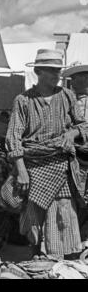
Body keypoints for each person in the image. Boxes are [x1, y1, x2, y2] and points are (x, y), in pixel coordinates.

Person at [5, 49, 88, 259]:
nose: (56, 74)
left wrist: (73, 132)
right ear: (39, 71)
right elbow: (13, 138)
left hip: (62, 163)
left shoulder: (67, 96)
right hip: (33, 165)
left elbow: (84, 125)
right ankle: (39, 259)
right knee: (34, 217)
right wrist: (21, 170)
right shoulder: (23, 100)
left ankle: (62, 260)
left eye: (58, 70)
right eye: (51, 70)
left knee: (63, 211)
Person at [62, 63, 88, 242]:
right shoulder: (67, 102)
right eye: (74, 79)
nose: (75, 82)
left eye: (80, 79)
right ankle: (76, 237)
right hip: (75, 156)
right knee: (75, 196)